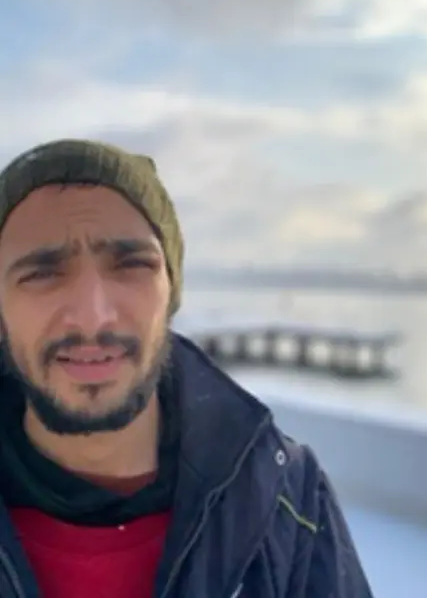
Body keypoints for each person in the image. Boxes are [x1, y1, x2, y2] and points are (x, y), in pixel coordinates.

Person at [0, 139, 373, 598]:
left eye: (131, 265)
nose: (93, 317)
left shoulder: (285, 499)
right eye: (41, 273)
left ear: (171, 292)